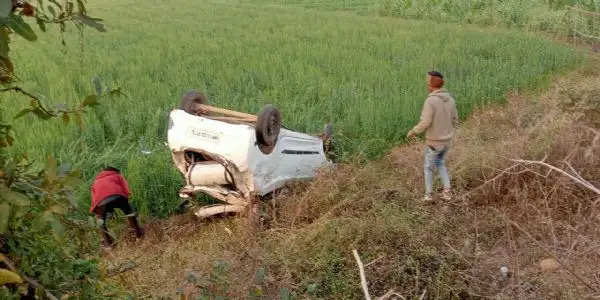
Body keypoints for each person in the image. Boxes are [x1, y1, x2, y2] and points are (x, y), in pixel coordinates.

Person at [407, 71, 458, 202]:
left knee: (428, 168)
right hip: (447, 142)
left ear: (432, 84)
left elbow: (425, 122)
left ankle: (428, 195)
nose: (426, 84)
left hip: (434, 143)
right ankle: (447, 192)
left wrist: (413, 131)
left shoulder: (431, 101)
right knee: (441, 163)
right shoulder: (451, 100)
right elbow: (455, 120)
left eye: (428, 81)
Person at [90, 166, 143, 247]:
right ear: (116, 171)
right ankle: (138, 234)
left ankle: (109, 243)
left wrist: (98, 213)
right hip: (117, 196)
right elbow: (126, 189)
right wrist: (126, 203)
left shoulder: (95, 182)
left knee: (101, 222)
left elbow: (94, 200)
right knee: (129, 212)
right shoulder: (117, 175)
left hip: (101, 202)